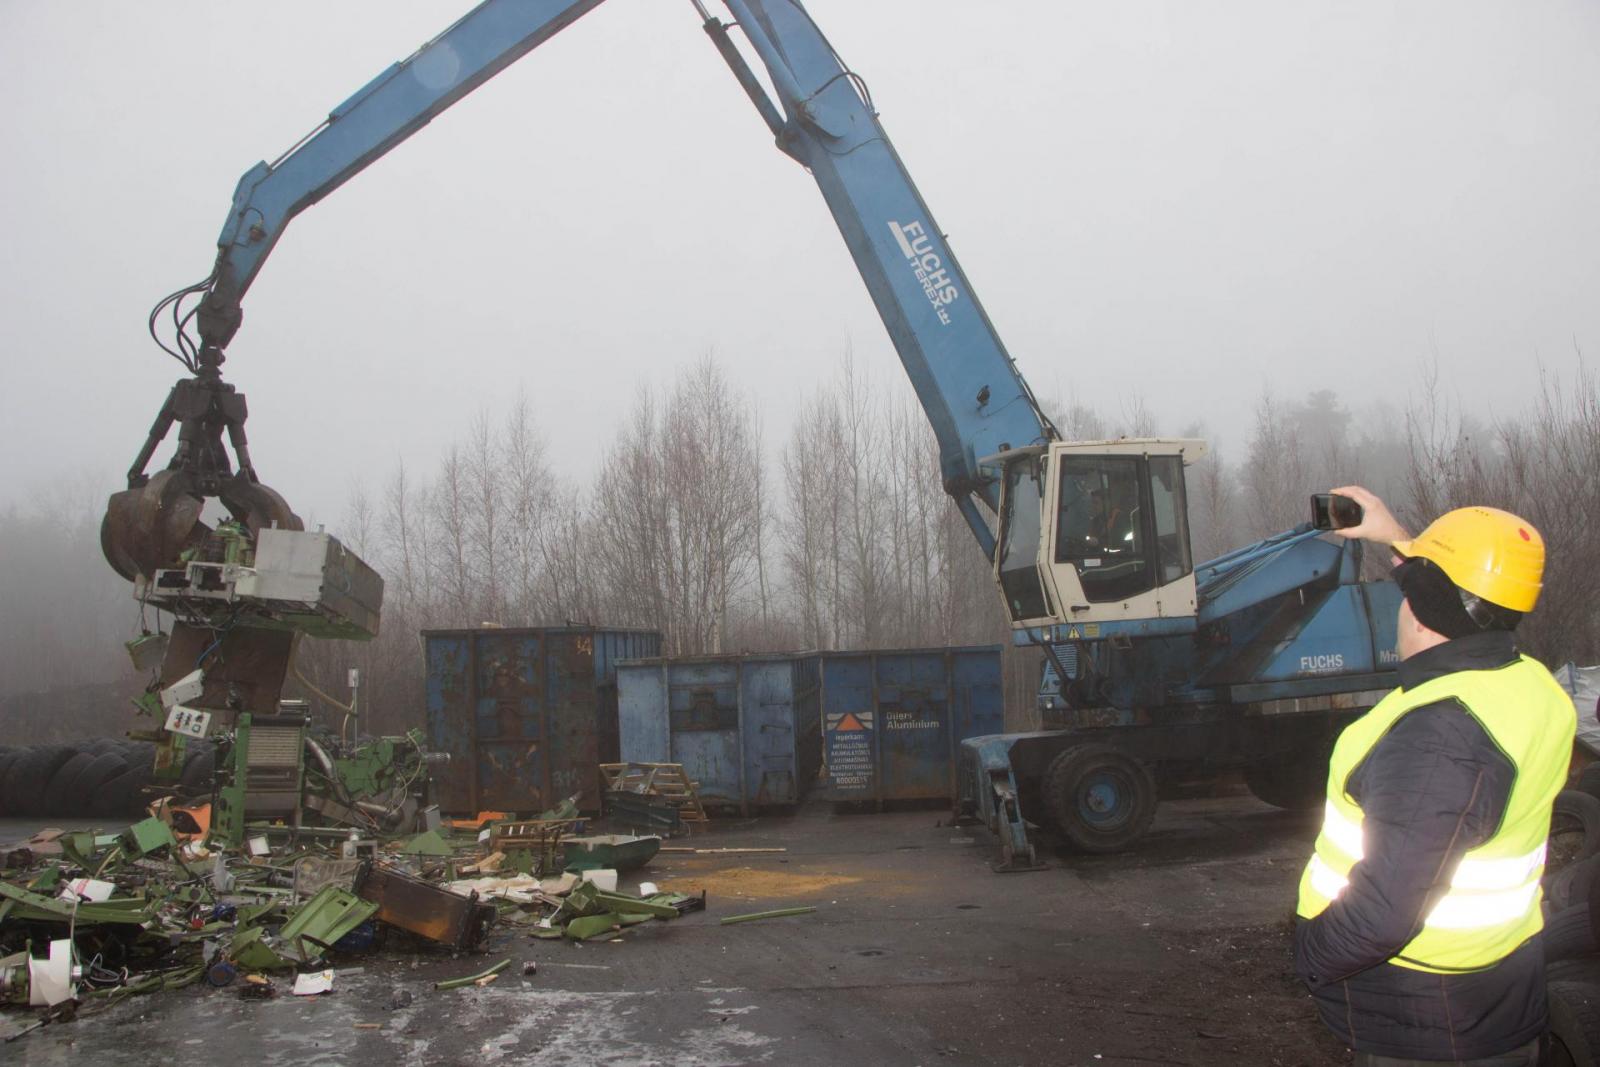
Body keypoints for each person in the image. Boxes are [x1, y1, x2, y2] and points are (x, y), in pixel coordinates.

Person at [1294, 485, 1573, 1066]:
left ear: (1420, 605)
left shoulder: (1441, 736)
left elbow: (1383, 912)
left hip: (1428, 1019)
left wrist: (1308, 954)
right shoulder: (1526, 682)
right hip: (1491, 993)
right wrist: (1397, 535)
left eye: (1408, 588)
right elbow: (1457, 596)